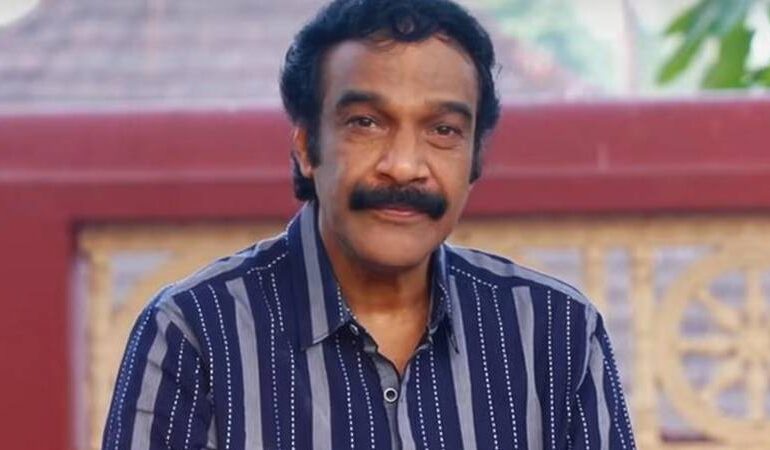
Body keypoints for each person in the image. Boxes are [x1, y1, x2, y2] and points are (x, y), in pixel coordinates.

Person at [102, 0, 636, 448]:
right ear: (307, 146)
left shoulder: (556, 334)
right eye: (366, 122)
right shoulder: (195, 333)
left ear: (475, 158)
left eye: (443, 130)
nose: (403, 166)